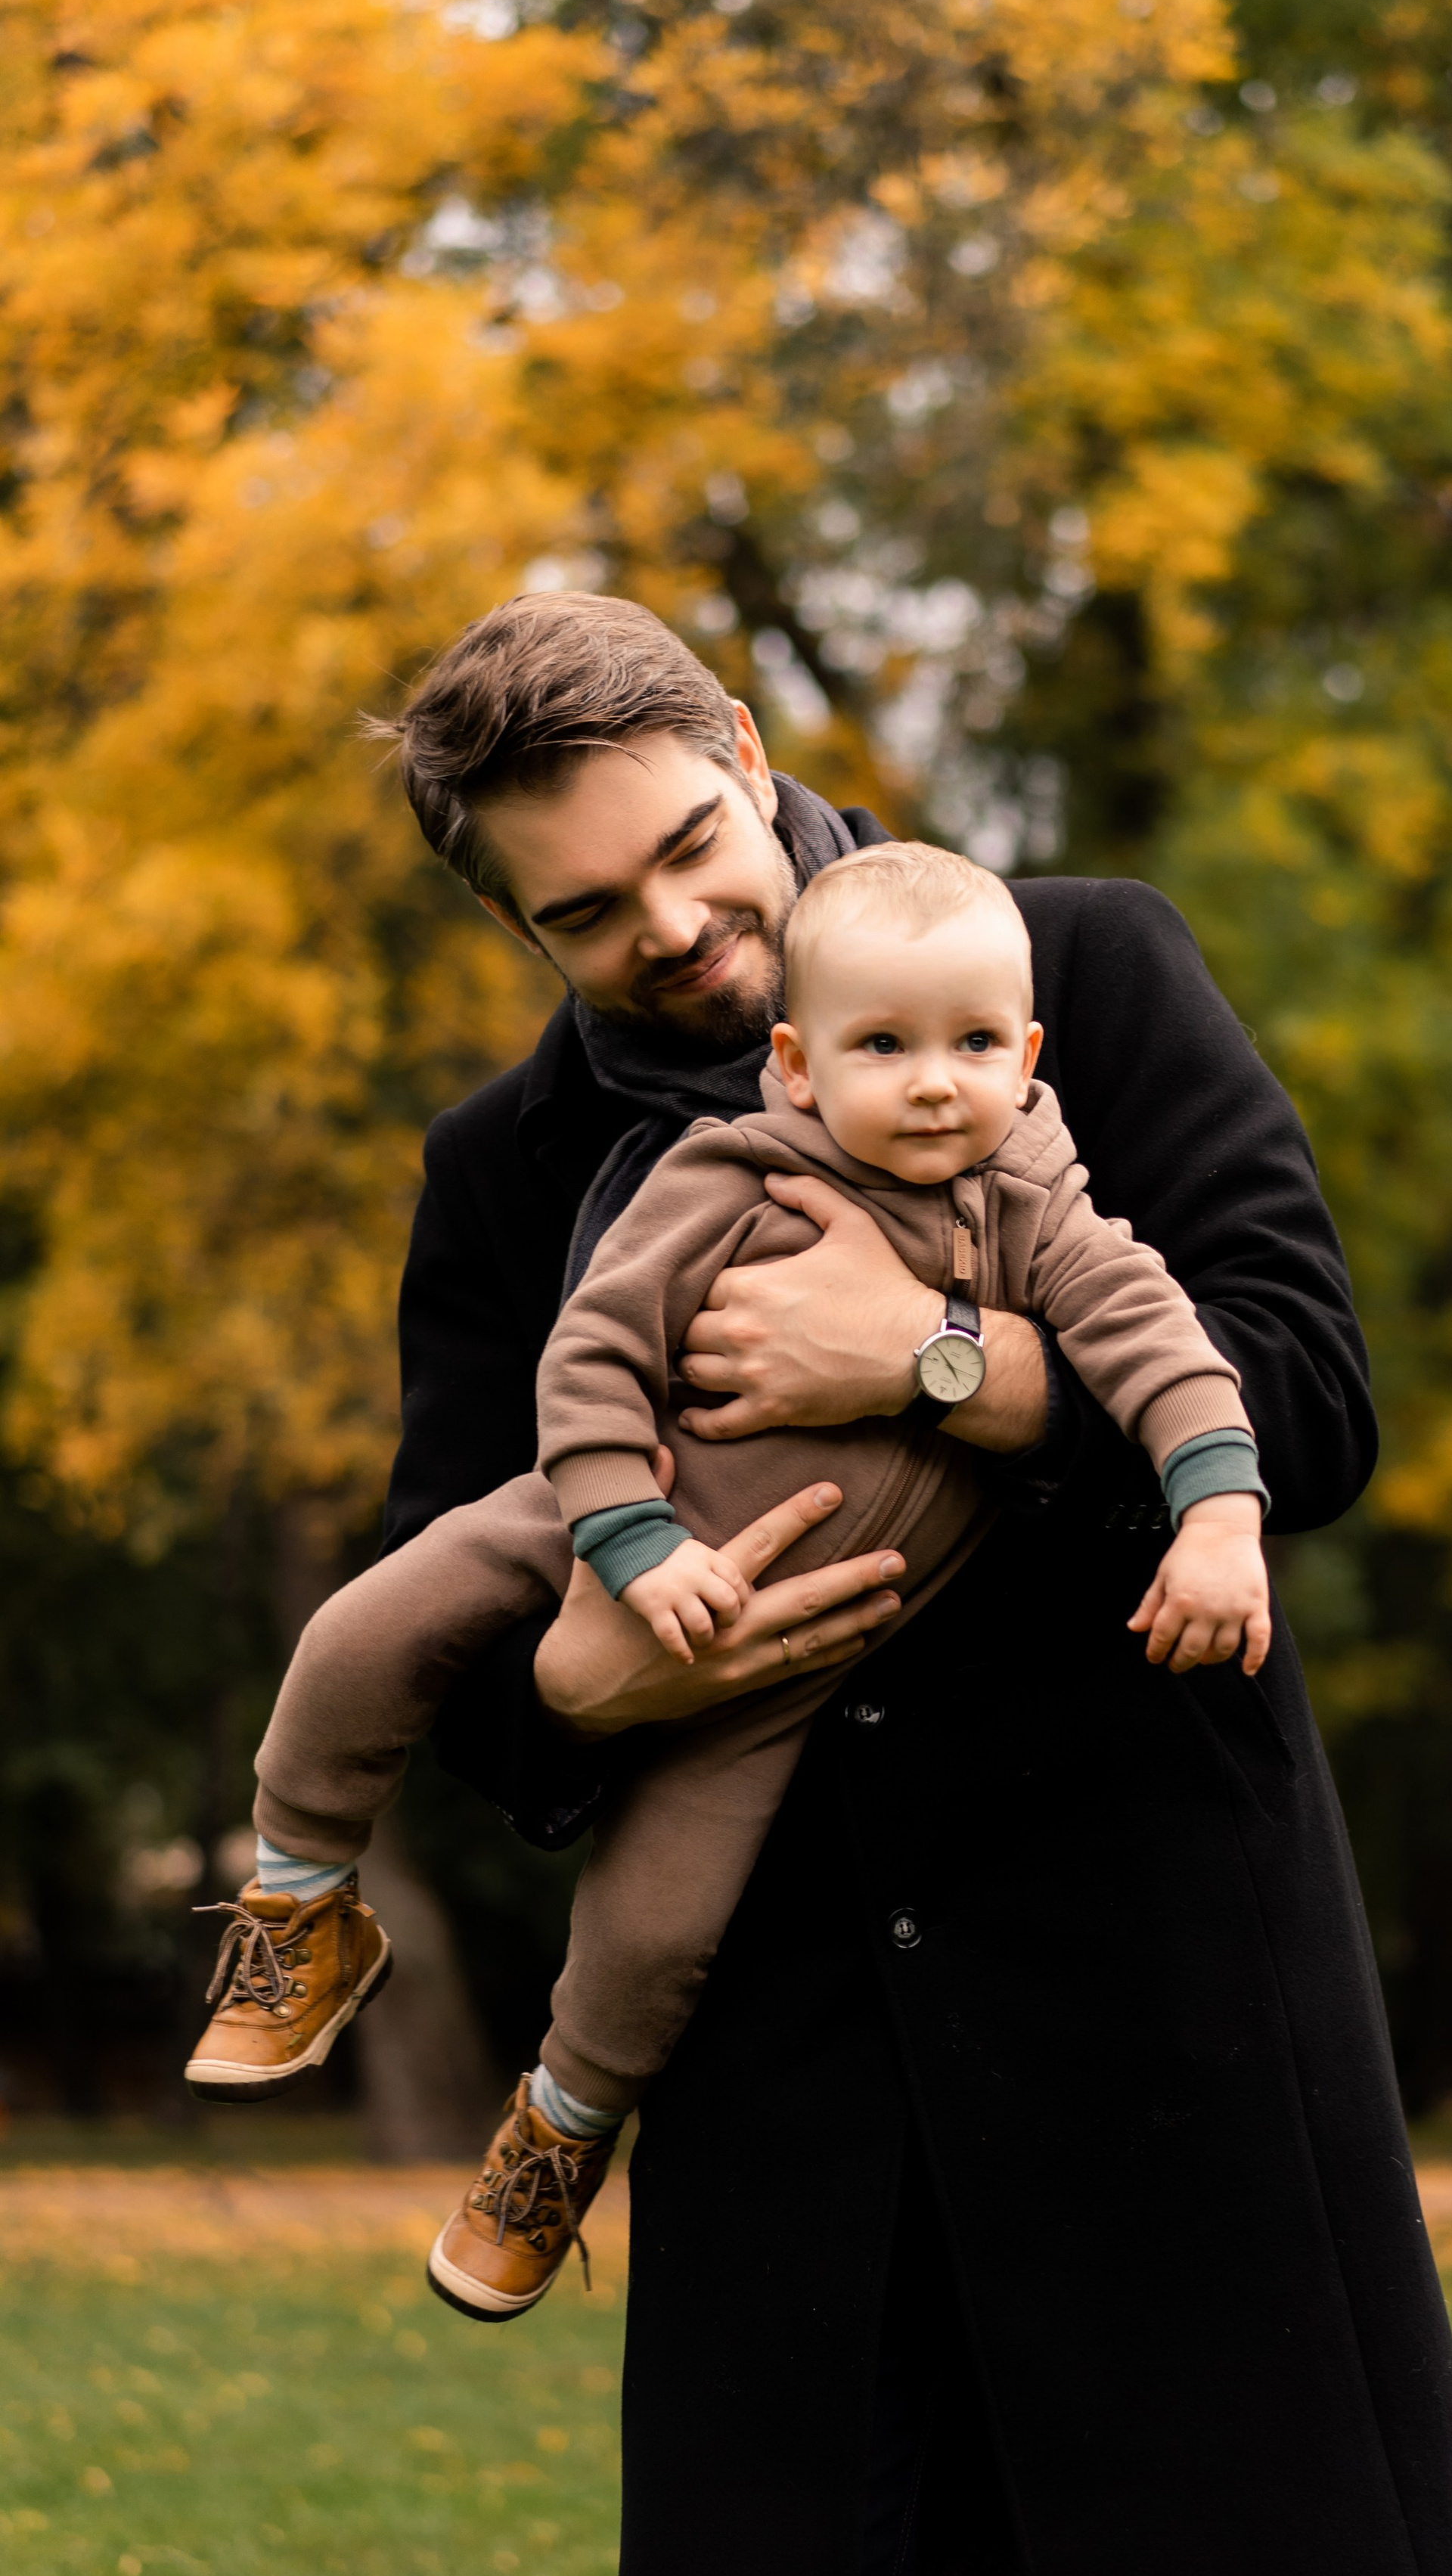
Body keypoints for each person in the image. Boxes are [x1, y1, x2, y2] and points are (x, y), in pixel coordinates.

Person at [316, 592, 1452, 2576]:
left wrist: (934, 1369)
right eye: (585, 914)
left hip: (1144, 1989)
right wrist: (572, 1680)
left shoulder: (1079, 973)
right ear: (516, 923)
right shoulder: (502, 1176)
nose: (677, 929)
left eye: (692, 847)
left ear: (752, 746)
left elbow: (1313, 1400)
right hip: (777, 2036)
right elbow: (453, 1627)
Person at [185, 844, 1276, 2330]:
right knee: (365, 1630)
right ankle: (303, 1889)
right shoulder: (731, 1169)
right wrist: (628, 1543)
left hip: (789, 1674)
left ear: (1025, 1058)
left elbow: (1170, 1357)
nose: (935, 1083)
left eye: (972, 1045)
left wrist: (1215, 1517)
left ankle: (561, 2127)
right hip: (594, 1525)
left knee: (652, 1933)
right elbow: (592, 1356)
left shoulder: (1045, 1221)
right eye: (881, 1048)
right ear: (799, 1062)